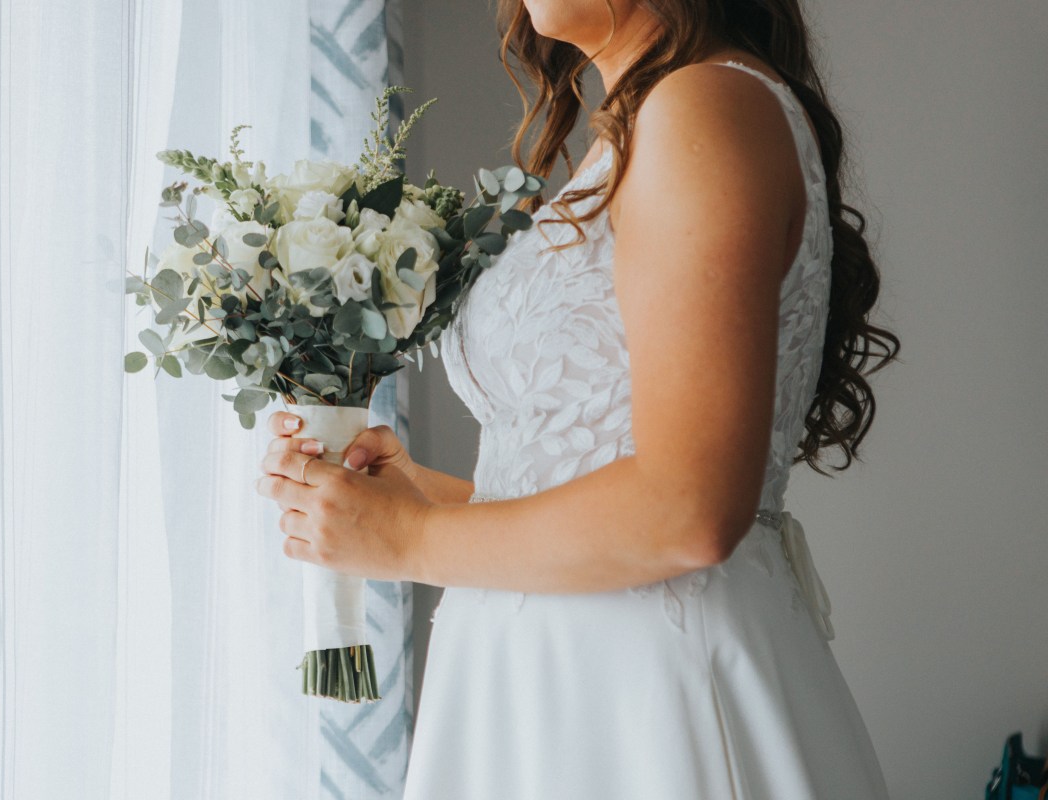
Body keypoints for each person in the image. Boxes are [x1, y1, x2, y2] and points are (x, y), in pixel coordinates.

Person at [255, 0, 901, 796]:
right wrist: (419, 499)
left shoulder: (702, 105)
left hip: (646, 702)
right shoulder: (648, 123)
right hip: (546, 687)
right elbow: (597, 471)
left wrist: (409, 539)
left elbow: (689, 509)